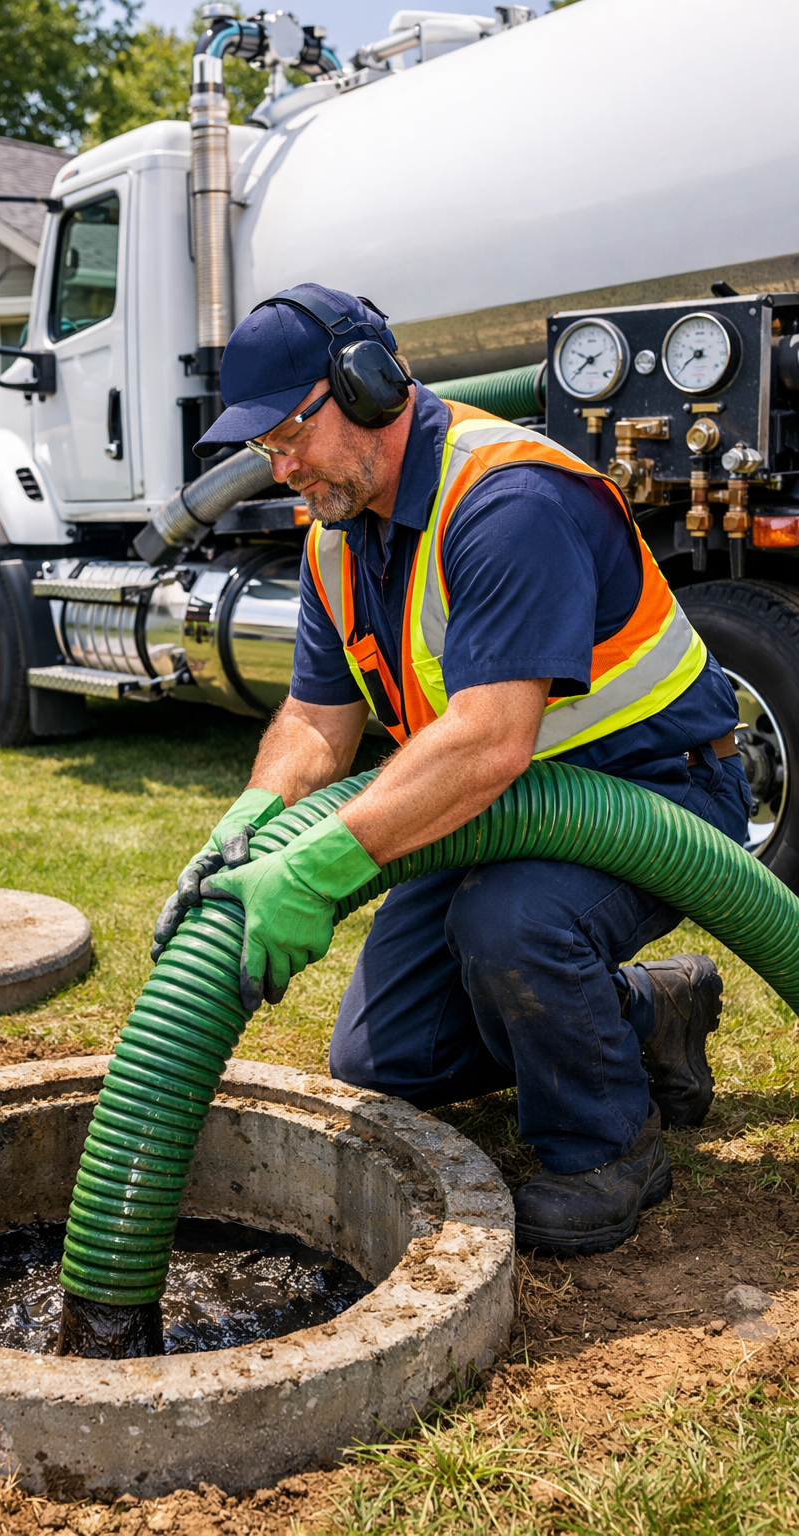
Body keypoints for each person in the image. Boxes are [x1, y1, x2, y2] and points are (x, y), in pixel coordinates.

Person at [153, 284, 751, 1258]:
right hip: (494, 811)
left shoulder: (508, 499)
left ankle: (609, 1149)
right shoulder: (335, 542)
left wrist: (314, 870)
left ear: (371, 385)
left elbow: (486, 738)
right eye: (264, 448)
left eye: (289, 434)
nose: (280, 464)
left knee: (509, 923)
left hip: (656, 790)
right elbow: (314, 720)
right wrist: (252, 820)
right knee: (383, 1059)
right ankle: (644, 1013)